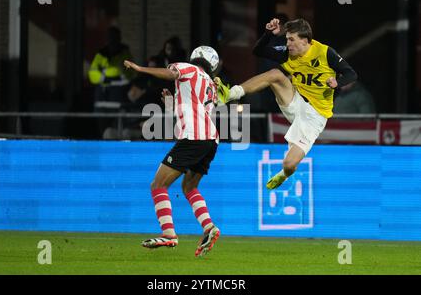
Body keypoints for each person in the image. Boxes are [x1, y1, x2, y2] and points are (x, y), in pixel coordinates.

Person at [217, 18, 358, 190]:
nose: (287, 43)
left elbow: (351, 74)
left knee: (289, 164)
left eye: (291, 39)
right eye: (287, 39)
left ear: (305, 40)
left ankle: (284, 175)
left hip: (315, 116)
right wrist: (268, 33)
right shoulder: (287, 54)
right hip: (296, 100)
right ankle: (230, 93)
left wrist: (337, 82)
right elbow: (258, 50)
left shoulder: (325, 52)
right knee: (275, 74)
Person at [123, 46, 221, 257]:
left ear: (195, 57)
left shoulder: (189, 68)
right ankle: (208, 226)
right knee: (189, 187)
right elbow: (196, 111)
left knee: (158, 184)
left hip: (194, 136)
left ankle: (169, 234)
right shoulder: (210, 84)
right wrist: (172, 103)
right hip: (211, 140)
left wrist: (140, 69)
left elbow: (171, 73)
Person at [88, 26, 136, 138]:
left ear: (119, 38)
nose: (111, 40)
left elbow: (131, 73)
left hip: (119, 98)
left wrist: (117, 77)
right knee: (103, 132)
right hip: (102, 99)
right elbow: (92, 72)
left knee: (118, 131)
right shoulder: (101, 54)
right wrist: (104, 79)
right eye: (110, 37)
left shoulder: (125, 54)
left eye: (114, 37)